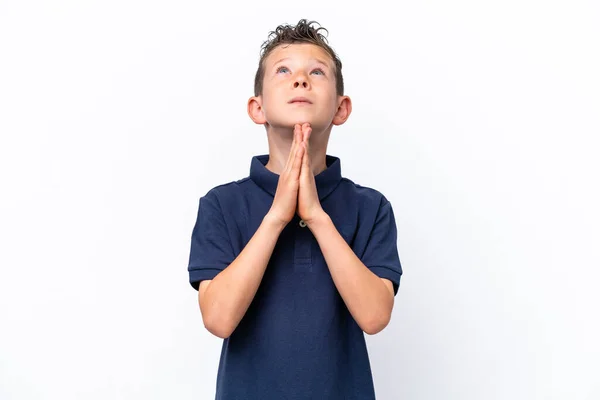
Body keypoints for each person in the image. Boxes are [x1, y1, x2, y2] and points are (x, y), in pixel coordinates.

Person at [187, 18, 403, 400]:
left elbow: (374, 317)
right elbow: (218, 319)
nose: (300, 79)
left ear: (341, 108)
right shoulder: (221, 204)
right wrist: (277, 216)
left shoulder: (371, 207)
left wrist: (317, 216)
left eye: (317, 72)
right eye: (283, 70)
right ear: (258, 108)